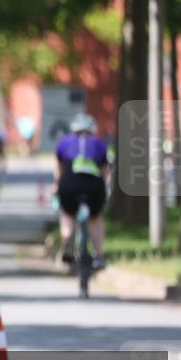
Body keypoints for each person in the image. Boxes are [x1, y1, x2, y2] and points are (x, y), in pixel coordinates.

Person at [54, 113, 110, 270]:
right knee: (96, 218)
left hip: (69, 184)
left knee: (67, 213)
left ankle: (66, 242)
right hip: (93, 186)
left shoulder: (64, 143)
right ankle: (99, 256)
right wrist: (104, 190)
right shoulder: (99, 144)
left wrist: (56, 187)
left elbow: (58, 172)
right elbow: (105, 172)